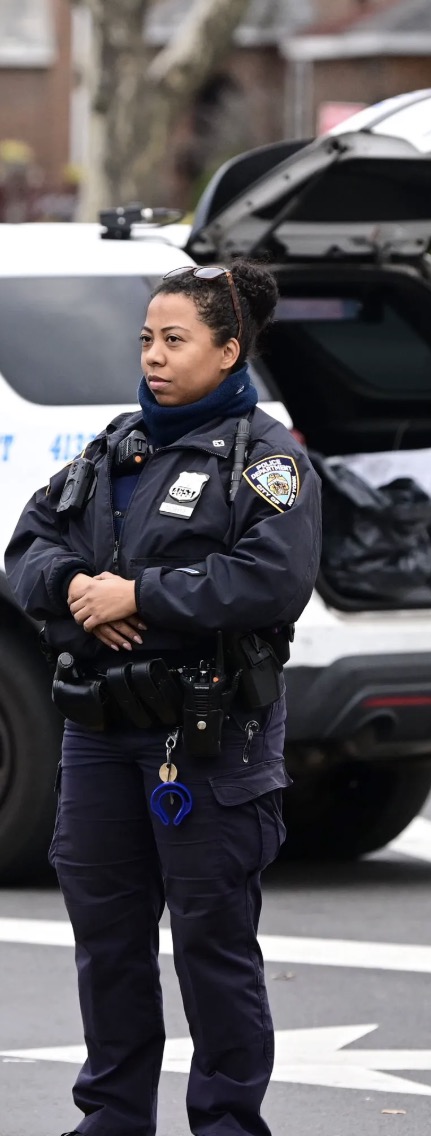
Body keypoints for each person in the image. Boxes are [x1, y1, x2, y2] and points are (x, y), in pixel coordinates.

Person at [5, 260, 319, 1136]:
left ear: (227, 350)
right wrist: (74, 588)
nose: (153, 355)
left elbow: (273, 578)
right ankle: (112, 1118)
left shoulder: (268, 459)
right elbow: (29, 547)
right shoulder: (116, 448)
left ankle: (225, 1123)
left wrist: (138, 595)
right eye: (146, 338)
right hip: (100, 733)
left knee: (214, 951)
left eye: (174, 340)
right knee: (107, 946)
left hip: (208, 740)